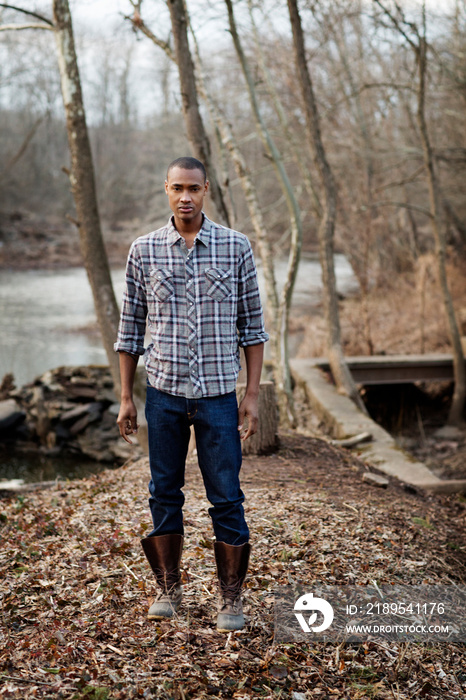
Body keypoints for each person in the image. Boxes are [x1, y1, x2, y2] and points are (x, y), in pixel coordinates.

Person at [114, 156, 268, 632]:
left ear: (207, 191)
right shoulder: (143, 251)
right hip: (162, 392)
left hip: (219, 394)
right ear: (166, 189)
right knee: (163, 490)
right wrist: (126, 396)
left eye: (194, 188)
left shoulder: (235, 247)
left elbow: (253, 328)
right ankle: (168, 589)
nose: (185, 196)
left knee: (226, 495)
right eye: (177, 187)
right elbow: (129, 330)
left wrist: (252, 394)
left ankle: (231, 601)